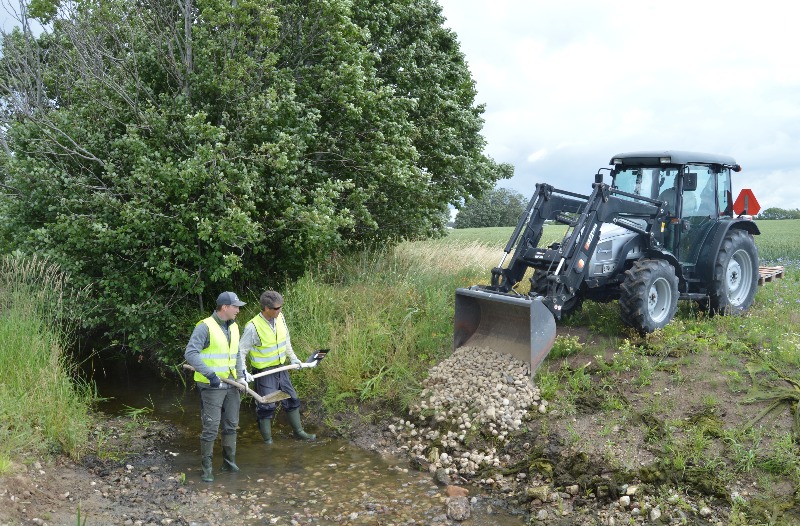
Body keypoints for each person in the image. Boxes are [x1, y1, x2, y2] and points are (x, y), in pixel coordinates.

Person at [184, 291, 248, 482]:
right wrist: (210, 375)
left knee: (231, 425)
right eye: (235, 306)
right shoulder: (205, 327)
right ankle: (207, 469)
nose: (238, 310)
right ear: (225, 307)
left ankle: (229, 462)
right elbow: (190, 353)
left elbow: (235, 354)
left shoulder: (234, 327)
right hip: (212, 386)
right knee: (211, 427)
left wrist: (241, 376)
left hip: (231, 384)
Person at [239, 290, 316, 444]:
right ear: (266, 308)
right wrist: (243, 372)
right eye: (276, 308)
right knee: (267, 405)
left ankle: (298, 432)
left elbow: (286, 340)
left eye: (281, 307)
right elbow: (241, 351)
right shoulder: (253, 327)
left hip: (281, 368)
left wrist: (294, 359)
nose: (280, 310)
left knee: (292, 398)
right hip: (264, 372)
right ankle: (268, 441)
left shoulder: (280, 317)